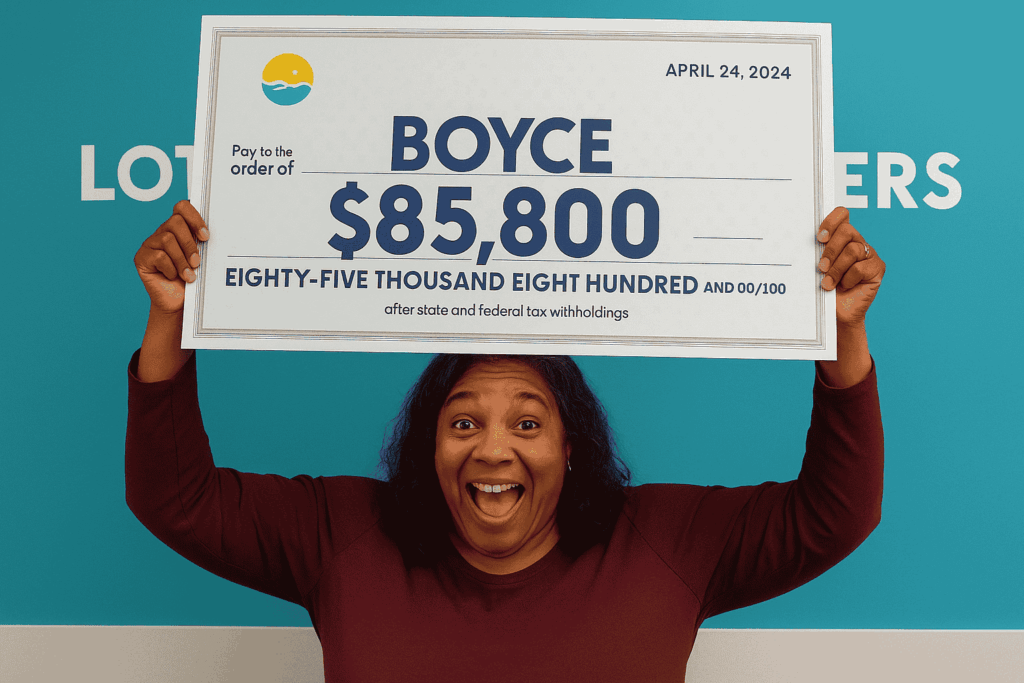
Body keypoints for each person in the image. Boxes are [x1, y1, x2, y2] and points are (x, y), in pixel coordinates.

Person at [127, 201, 885, 681]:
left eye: (528, 423)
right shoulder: (343, 534)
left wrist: (839, 335)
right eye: (463, 422)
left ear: (571, 446)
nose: (492, 450)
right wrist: (172, 317)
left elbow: (833, 515)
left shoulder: (664, 540)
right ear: (428, 446)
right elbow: (176, 498)